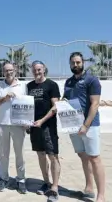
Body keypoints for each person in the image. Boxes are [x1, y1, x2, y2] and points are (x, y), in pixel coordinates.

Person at [63, 52, 105, 202]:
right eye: (73, 63)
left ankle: (101, 196)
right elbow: (65, 100)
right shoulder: (68, 82)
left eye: (78, 62)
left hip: (90, 125)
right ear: (69, 64)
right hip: (72, 125)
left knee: (94, 158)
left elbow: (95, 104)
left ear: (83, 63)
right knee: (83, 156)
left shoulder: (92, 80)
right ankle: (89, 188)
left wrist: (86, 125)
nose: (76, 65)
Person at [27, 61, 61, 201]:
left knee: (52, 156)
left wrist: (42, 120)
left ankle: (55, 187)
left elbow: (55, 106)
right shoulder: (29, 86)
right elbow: (26, 106)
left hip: (48, 126)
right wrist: (26, 123)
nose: (37, 72)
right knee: (41, 155)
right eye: (35, 70)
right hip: (34, 127)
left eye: (39, 69)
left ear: (44, 69)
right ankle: (46, 182)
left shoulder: (52, 85)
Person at [0, 62, 28, 194]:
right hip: (1, 124)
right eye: (6, 70)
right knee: (3, 154)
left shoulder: (22, 86)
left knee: (20, 154)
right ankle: (4, 178)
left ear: (15, 70)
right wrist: (4, 98)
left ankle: (21, 179)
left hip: (18, 125)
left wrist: (27, 122)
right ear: (3, 72)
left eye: (11, 70)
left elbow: (27, 104)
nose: (9, 72)